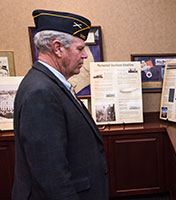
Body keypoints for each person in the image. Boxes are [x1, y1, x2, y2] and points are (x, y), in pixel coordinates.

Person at [13, 9, 108, 200]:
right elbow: (51, 174)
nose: (85, 56)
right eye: (80, 49)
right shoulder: (40, 92)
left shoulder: (49, 83)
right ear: (57, 48)